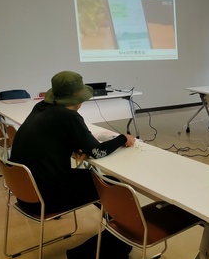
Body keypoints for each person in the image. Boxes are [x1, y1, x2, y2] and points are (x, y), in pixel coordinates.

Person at [10, 70, 136, 215]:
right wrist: (123, 138)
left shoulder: (40, 107)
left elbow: (50, 140)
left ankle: (109, 219)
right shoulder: (68, 116)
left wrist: (75, 146)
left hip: (24, 194)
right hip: (44, 200)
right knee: (112, 183)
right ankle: (116, 225)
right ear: (78, 95)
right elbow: (98, 152)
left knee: (91, 178)